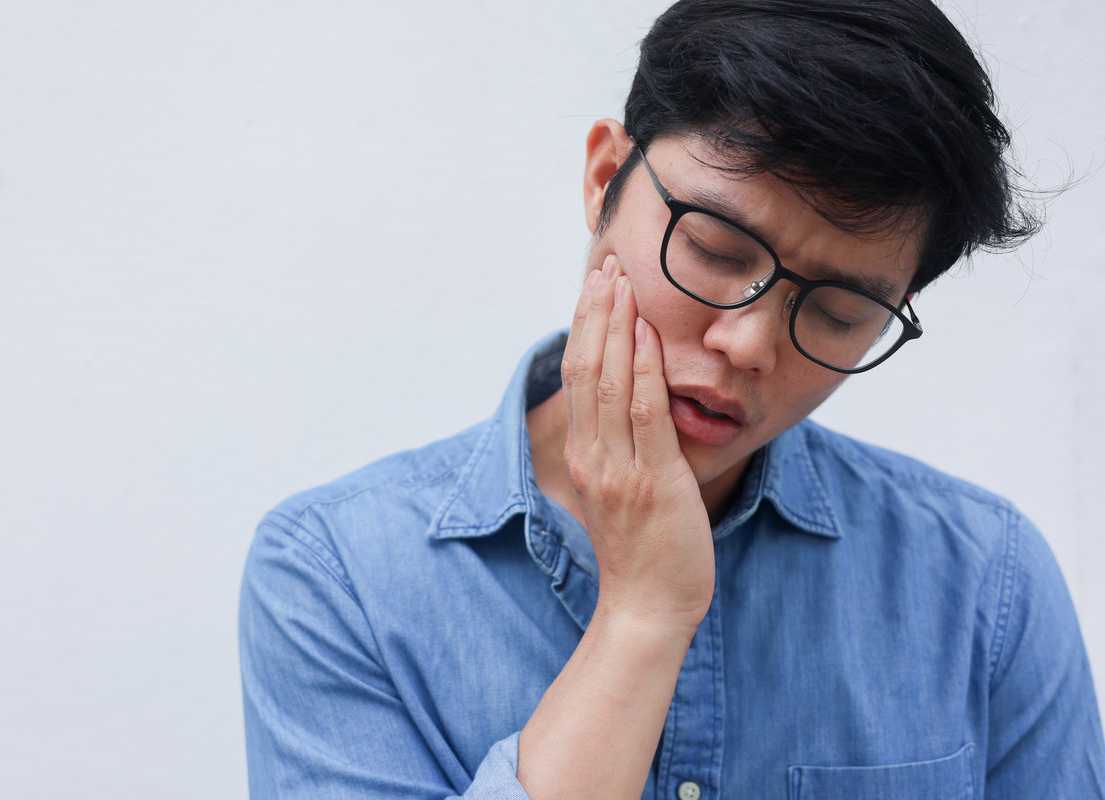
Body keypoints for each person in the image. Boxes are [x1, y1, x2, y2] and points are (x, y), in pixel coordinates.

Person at [239, 1, 1105, 797]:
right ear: (605, 175)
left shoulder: (986, 584)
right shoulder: (336, 572)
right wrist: (643, 617)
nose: (749, 344)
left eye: (842, 314)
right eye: (717, 250)